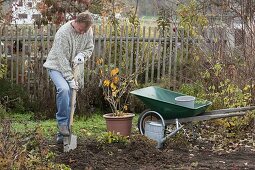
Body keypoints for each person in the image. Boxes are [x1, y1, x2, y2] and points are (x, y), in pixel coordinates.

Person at [43, 12, 94, 143]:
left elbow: (90, 47)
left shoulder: (88, 30)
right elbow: (62, 59)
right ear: (75, 21)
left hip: (72, 68)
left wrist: (82, 55)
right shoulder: (63, 33)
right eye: (81, 29)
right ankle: (62, 123)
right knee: (64, 89)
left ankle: (63, 136)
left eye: (85, 30)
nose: (83, 33)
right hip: (56, 66)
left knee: (72, 98)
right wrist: (70, 78)